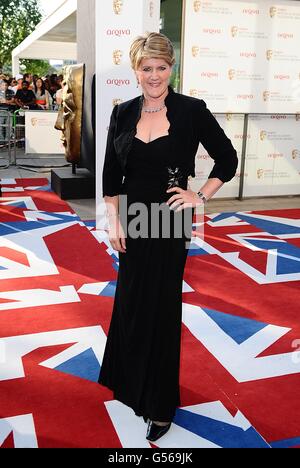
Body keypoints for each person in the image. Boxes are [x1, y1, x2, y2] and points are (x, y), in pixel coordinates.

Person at [98, 32, 238, 443]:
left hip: (169, 222)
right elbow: (111, 174)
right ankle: (130, 384)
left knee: (160, 311)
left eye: (162, 68)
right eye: (146, 69)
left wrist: (200, 195)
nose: (154, 76)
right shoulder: (122, 113)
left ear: (172, 68)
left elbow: (227, 158)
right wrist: (113, 220)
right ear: (135, 70)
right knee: (130, 305)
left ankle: (159, 405)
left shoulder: (191, 111)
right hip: (133, 219)